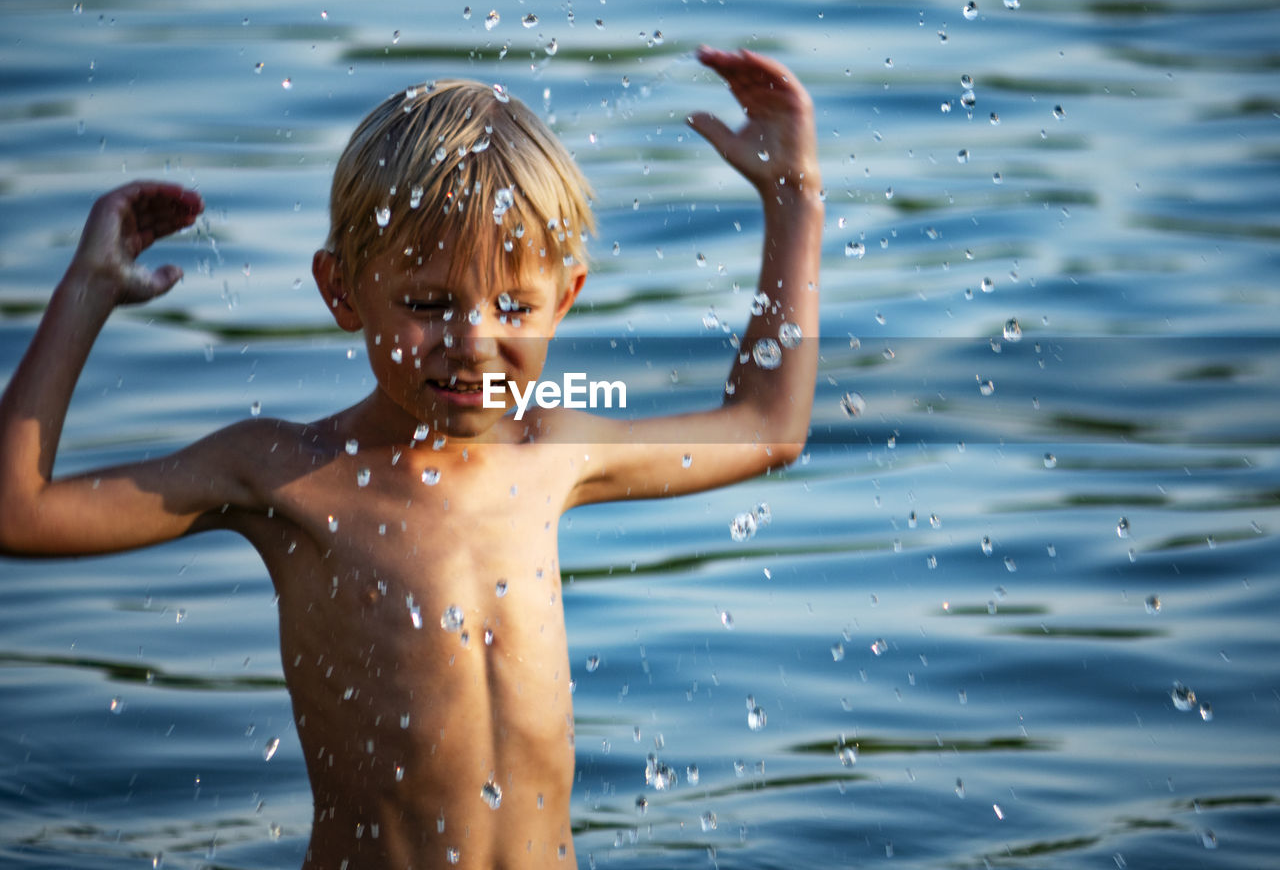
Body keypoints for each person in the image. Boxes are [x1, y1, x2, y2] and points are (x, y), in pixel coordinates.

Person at [0, 45, 822, 869]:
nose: (472, 343)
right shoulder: (287, 472)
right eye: (428, 305)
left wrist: (794, 201)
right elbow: (18, 513)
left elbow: (766, 428)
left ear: (563, 300)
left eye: (513, 307)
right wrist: (88, 290)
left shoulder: (552, 451)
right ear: (342, 292)